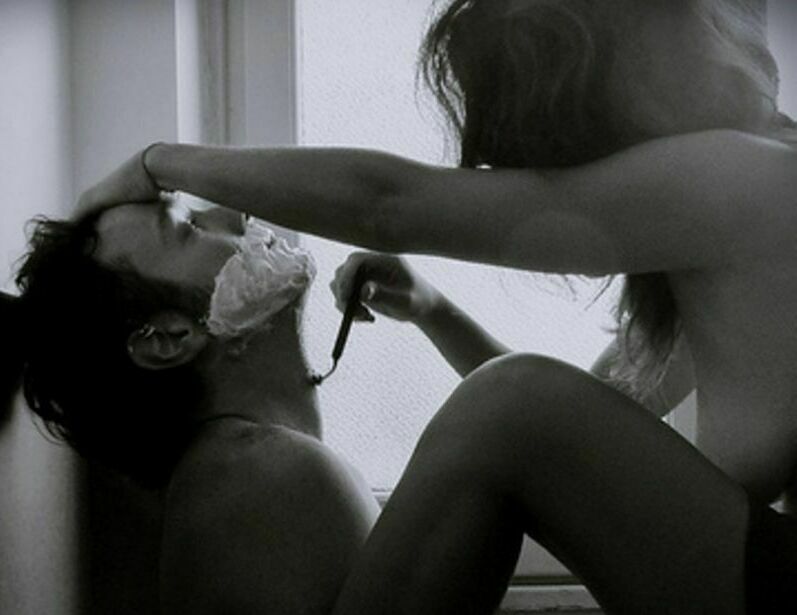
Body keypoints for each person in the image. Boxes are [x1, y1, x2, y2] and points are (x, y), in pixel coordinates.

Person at [72, 0, 797, 613]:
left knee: (510, 399)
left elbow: (389, 205)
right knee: (513, 401)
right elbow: (592, 429)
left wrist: (157, 162)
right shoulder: (732, 210)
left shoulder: (743, 179)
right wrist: (433, 311)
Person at [8, 201, 379, 614]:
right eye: (189, 228)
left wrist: (429, 311)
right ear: (170, 338)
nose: (235, 213)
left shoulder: (236, 466)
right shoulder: (269, 477)